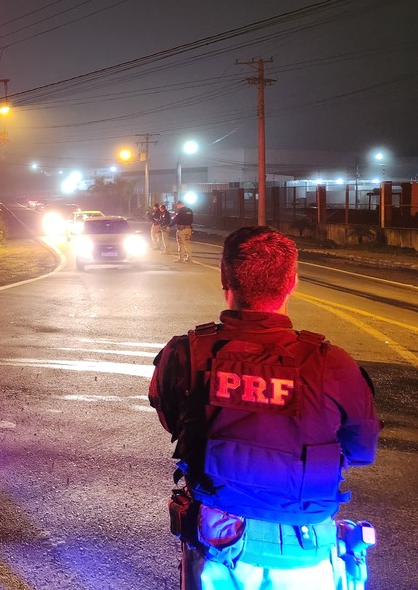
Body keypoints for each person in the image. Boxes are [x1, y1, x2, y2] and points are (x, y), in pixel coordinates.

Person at [149, 226, 381, 590]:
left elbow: (174, 421)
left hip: (218, 538)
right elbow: (362, 450)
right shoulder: (333, 364)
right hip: (305, 547)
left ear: (224, 275)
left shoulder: (186, 353)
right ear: (293, 281)